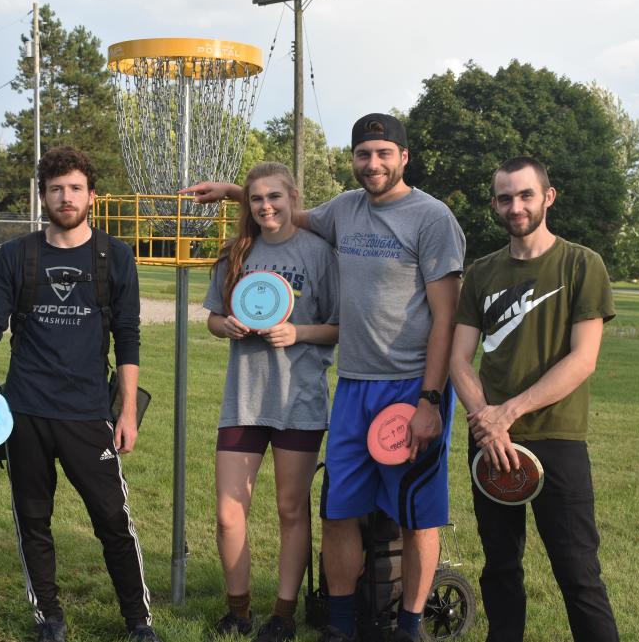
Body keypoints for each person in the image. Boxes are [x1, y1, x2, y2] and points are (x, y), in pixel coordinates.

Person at [185, 113, 465, 642]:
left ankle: (408, 625)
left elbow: (446, 319)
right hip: (354, 386)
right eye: (363, 154)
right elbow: (284, 212)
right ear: (354, 159)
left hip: (409, 385)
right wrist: (231, 192)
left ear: (403, 157)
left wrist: (431, 398)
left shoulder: (431, 218)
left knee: (414, 514)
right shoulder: (344, 211)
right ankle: (338, 624)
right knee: (339, 511)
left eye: (384, 153)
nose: (373, 163)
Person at [0, 146, 158, 642]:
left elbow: (128, 335)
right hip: (26, 413)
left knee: (112, 519)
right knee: (33, 519)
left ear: (91, 195)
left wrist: (127, 410)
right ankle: (50, 619)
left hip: (87, 414)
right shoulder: (18, 255)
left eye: (76, 188)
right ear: (42, 195)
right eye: (56, 188)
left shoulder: (114, 256)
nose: (66, 197)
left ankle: (138, 621)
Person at [449, 156, 619, 642]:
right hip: (489, 443)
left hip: (556, 438)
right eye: (505, 197)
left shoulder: (582, 264)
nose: (515, 205)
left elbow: (583, 359)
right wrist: (487, 421)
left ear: (548, 197)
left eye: (525, 195)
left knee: (578, 572)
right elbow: (459, 360)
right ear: (495, 205)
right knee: (500, 567)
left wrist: (507, 413)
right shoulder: (481, 273)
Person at [203, 162, 339, 642]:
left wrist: (297, 331)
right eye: (257, 199)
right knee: (228, 510)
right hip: (243, 399)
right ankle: (237, 611)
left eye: (274, 197)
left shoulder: (320, 253)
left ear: (293, 196)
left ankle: (283, 614)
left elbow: (340, 326)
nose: (266, 207)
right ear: (248, 203)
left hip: (298, 399)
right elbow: (214, 319)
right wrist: (229, 326)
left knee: (289, 510)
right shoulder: (238, 252)